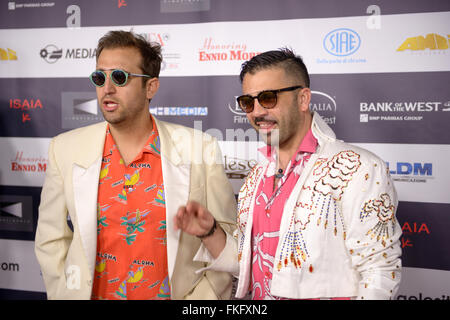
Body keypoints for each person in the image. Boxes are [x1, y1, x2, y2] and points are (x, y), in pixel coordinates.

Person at [175, 48, 402, 300]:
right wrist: (209, 232)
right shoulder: (255, 178)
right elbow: (250, 264)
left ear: (303, 99)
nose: (257, 112)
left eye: (269, 98)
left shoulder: (357, 168)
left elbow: (380, 272)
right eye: (249, 102)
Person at [34, 30, 236, 300]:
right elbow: (51, 239)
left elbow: (228, 240)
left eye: (120, 77)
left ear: (150, 87)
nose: (107, 88)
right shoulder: (65, 149)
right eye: (99, 77)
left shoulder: (200, 148)